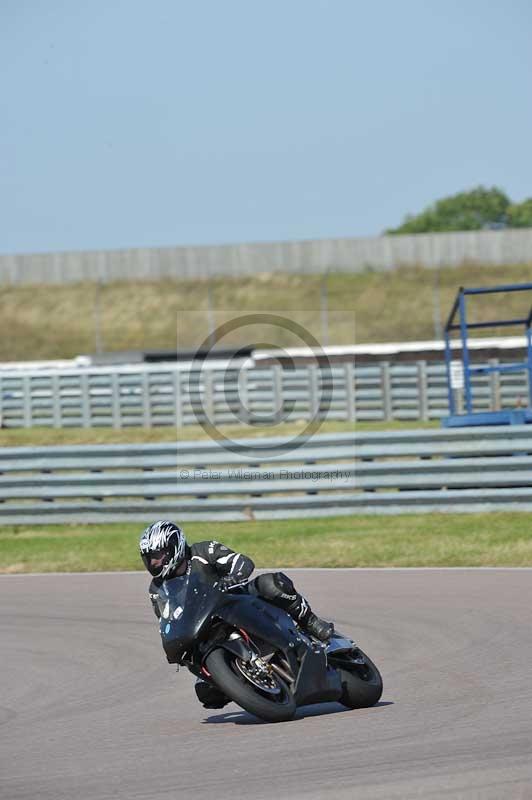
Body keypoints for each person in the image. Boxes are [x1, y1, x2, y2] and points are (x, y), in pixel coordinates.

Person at [140, 520, 335, 708]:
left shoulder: (203, 551)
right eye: (149, 558)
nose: (154, 562)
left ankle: (311, 622)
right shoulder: (157, 589)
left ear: (175, 547)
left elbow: (240, 561)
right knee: (206, 693)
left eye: (158, 555)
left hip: (234, 599)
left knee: (271, 584)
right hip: (203, 626)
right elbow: (165, 619)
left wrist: (232, 577)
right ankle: (240, 683)